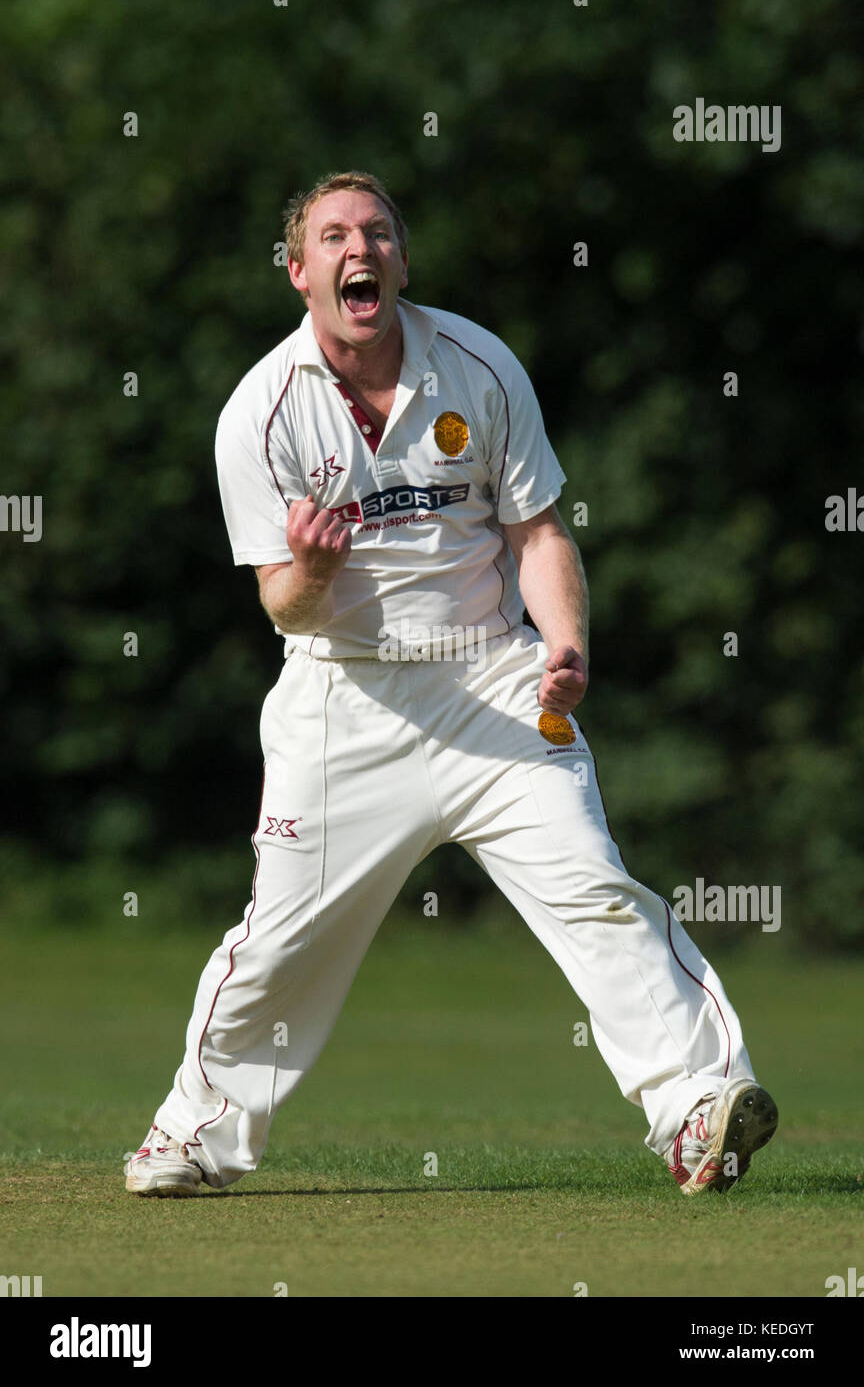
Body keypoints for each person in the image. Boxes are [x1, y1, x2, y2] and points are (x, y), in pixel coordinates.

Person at [124, 171, 777, 1199]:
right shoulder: (260, 411)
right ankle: (196, 1133)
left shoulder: (478, 365)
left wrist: (562, 639)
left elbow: (537, 530)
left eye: (378, 232)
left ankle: (699, 1106)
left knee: (597, 892)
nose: (361, 249)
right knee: (282, 939)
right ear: (299, 272)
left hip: (495, 682)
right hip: (346, 700)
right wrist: (319, 571)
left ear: (401, 259)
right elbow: (283, 608)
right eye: (334, 236)